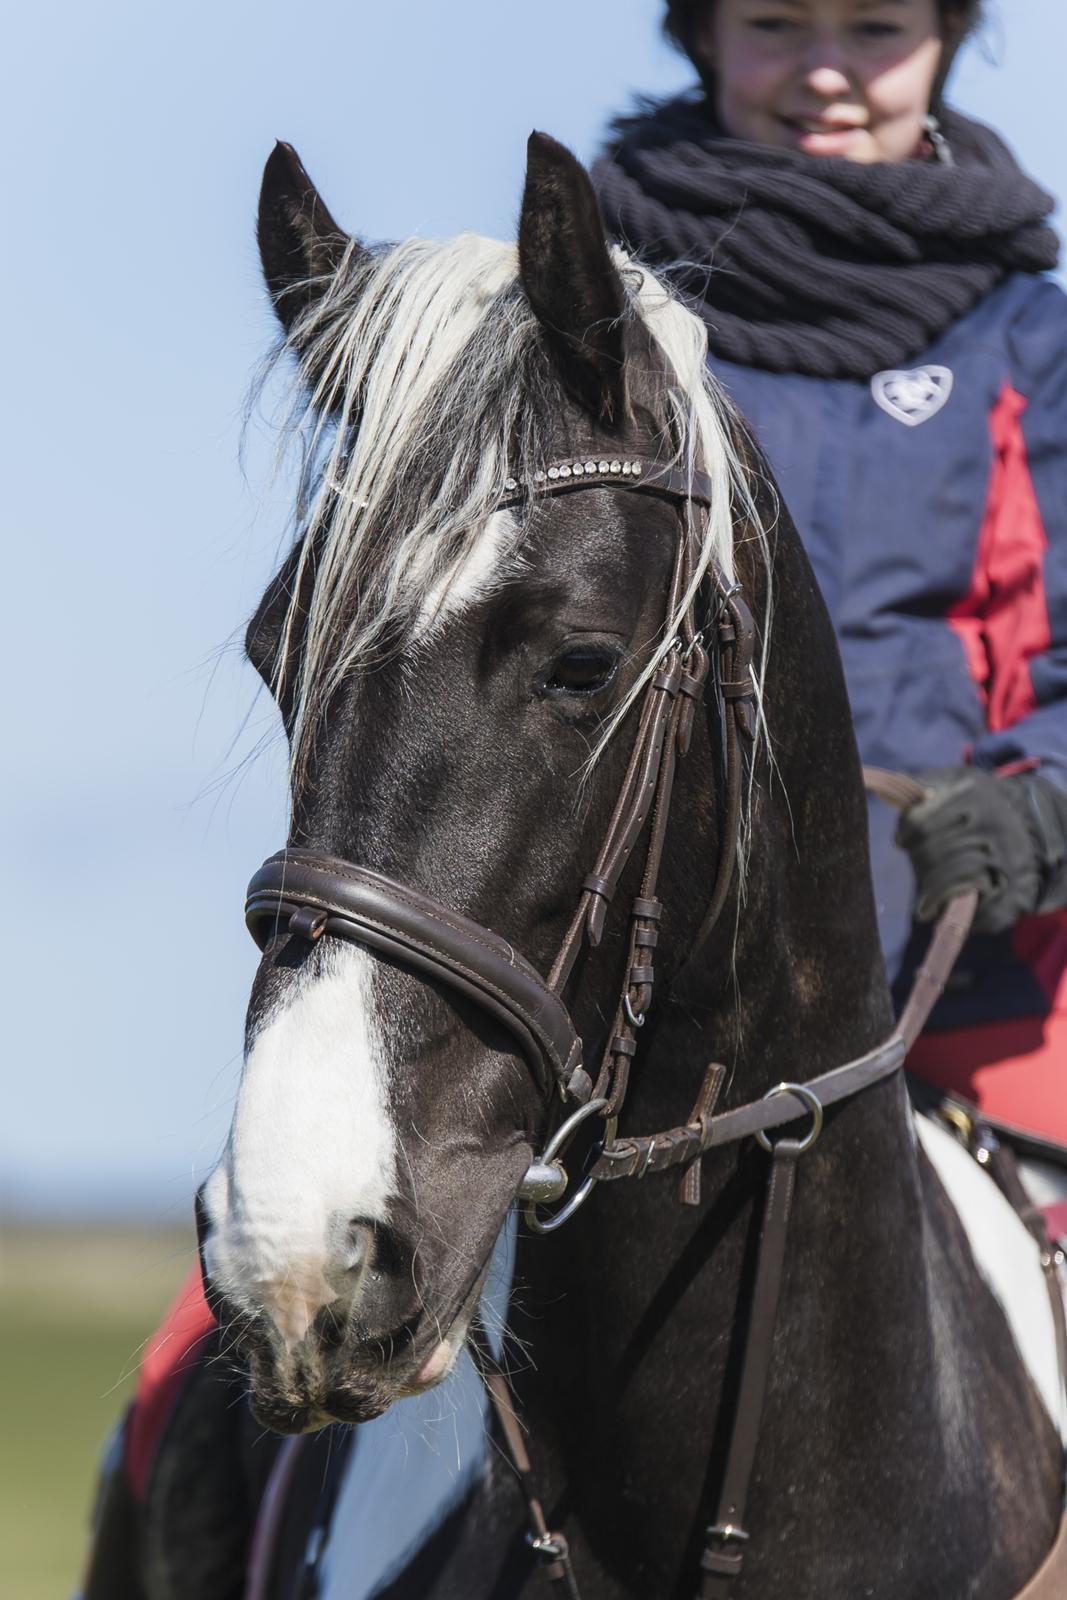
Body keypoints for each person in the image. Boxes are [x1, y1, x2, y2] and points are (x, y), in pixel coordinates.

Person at [593, 0, 1067, 1160]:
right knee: (245, 1313)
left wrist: (1041, 810)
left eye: (872, 29)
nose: (824, 73)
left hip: (969, 981)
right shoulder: (591, 313)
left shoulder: (1030, 345)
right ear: (698, 33)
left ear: (947, 39)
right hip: (613, 986)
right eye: (772, 22)